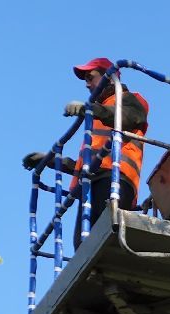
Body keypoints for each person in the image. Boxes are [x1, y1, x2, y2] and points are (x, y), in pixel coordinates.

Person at [23, 57, 150, 224]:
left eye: (90, 78)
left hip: (115, 180)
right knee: (85, 239)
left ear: (110, 78)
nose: (87, 84)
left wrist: (90, 108)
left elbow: (130, 117)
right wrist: (51, 160)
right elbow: (87, 164)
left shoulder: (128, 99)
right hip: (90, 185)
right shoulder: (96, 116)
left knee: (104, 230)